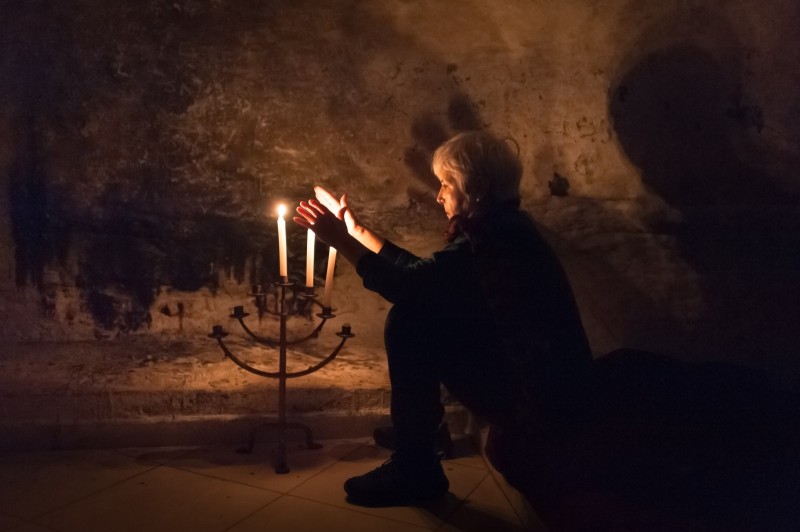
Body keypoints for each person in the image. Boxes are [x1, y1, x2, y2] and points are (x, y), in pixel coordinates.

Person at [293, 130, 593, 509]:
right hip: (538, 382)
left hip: (536, 399)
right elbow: (424, 275)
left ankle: (415, 465)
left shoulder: (491, 242)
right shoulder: (503, 227)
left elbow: (407, 286)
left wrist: (339, 239)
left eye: (446, 184)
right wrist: (358, 231)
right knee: (420, 307)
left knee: (410, 319)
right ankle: (419, 436)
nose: (439, 195)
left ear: (478, 187)